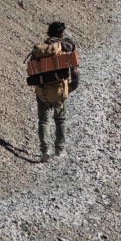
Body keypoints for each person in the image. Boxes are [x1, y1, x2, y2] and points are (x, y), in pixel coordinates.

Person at [26, 21, 80, 159]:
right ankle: (59, 150)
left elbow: (32, 71)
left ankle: (45, 151)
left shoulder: (39, 51)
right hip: (60, 91)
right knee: (60, 120)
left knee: (44, 121)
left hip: (42, 91)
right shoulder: (65, 48)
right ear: (62, 34)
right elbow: (74, 71)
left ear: (48, 33)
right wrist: (72, 86)